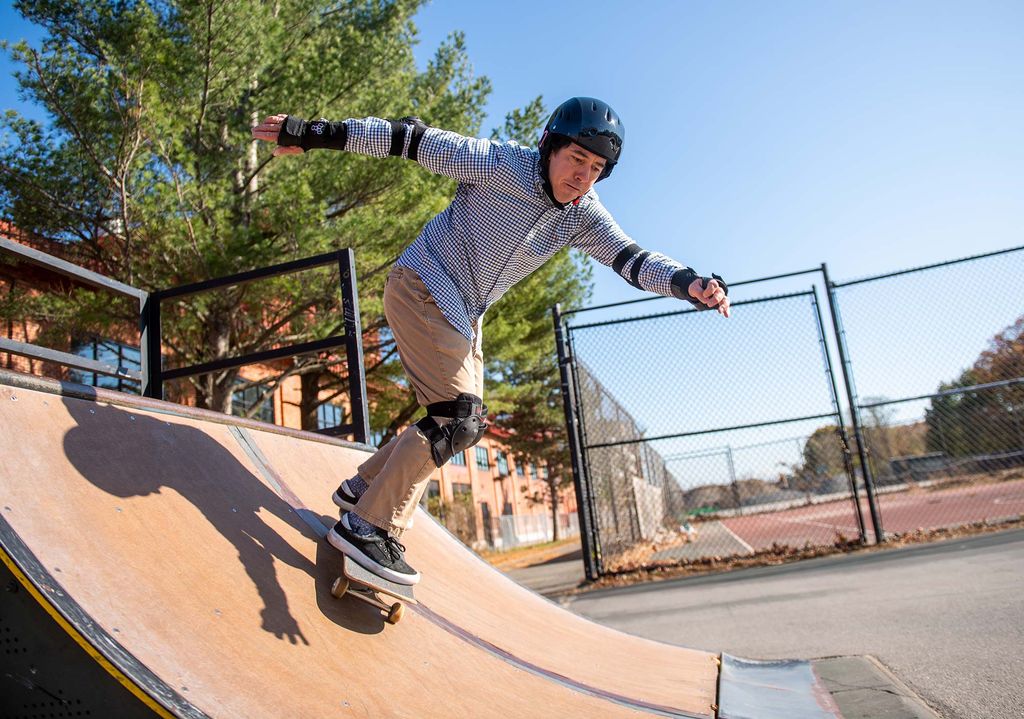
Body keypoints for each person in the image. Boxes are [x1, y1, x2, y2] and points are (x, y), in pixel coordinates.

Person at [251, 97, 730, 586]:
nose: (582, 177)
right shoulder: (500, 164)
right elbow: (409, 139)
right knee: (456, 419)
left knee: (463, 421)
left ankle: (365, 487)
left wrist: (687, 283)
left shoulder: (584, 214)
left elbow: (629, 258)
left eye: (596, 169)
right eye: (576, 160)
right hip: (424, 284)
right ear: (548, 148)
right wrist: (310, 133)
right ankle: (366, 527)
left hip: (465, 316)